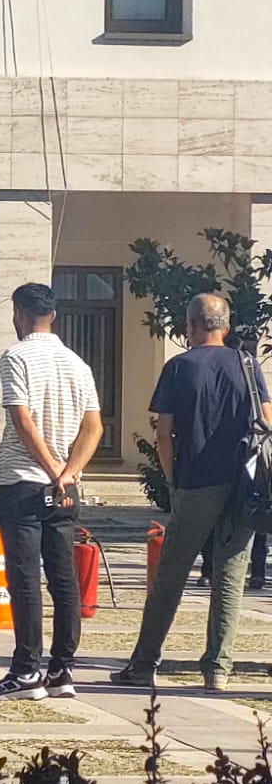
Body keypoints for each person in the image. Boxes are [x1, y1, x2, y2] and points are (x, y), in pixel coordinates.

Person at [110, 293, 272, 691]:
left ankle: (145, 662)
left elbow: (163, 434)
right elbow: (266, 422)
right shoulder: (249, 366)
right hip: (243, 487)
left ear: (190, 326)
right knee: (230, 577)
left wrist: (171, 482)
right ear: (227, 326)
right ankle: (218, 668)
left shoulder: (179, 367)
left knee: (171, 575)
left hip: (196, 483)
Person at [0, 283, 104, 701]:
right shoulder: (77, 363)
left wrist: (51, 468)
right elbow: (94, 427)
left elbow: (22, 418)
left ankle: (26, 668)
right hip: (67, 487)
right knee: (63, 577)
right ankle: (63, 668)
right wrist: (70, 472)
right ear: (54, 315)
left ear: (19, 315)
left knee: (24, 576)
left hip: (23, 480)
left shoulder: (16, 356)